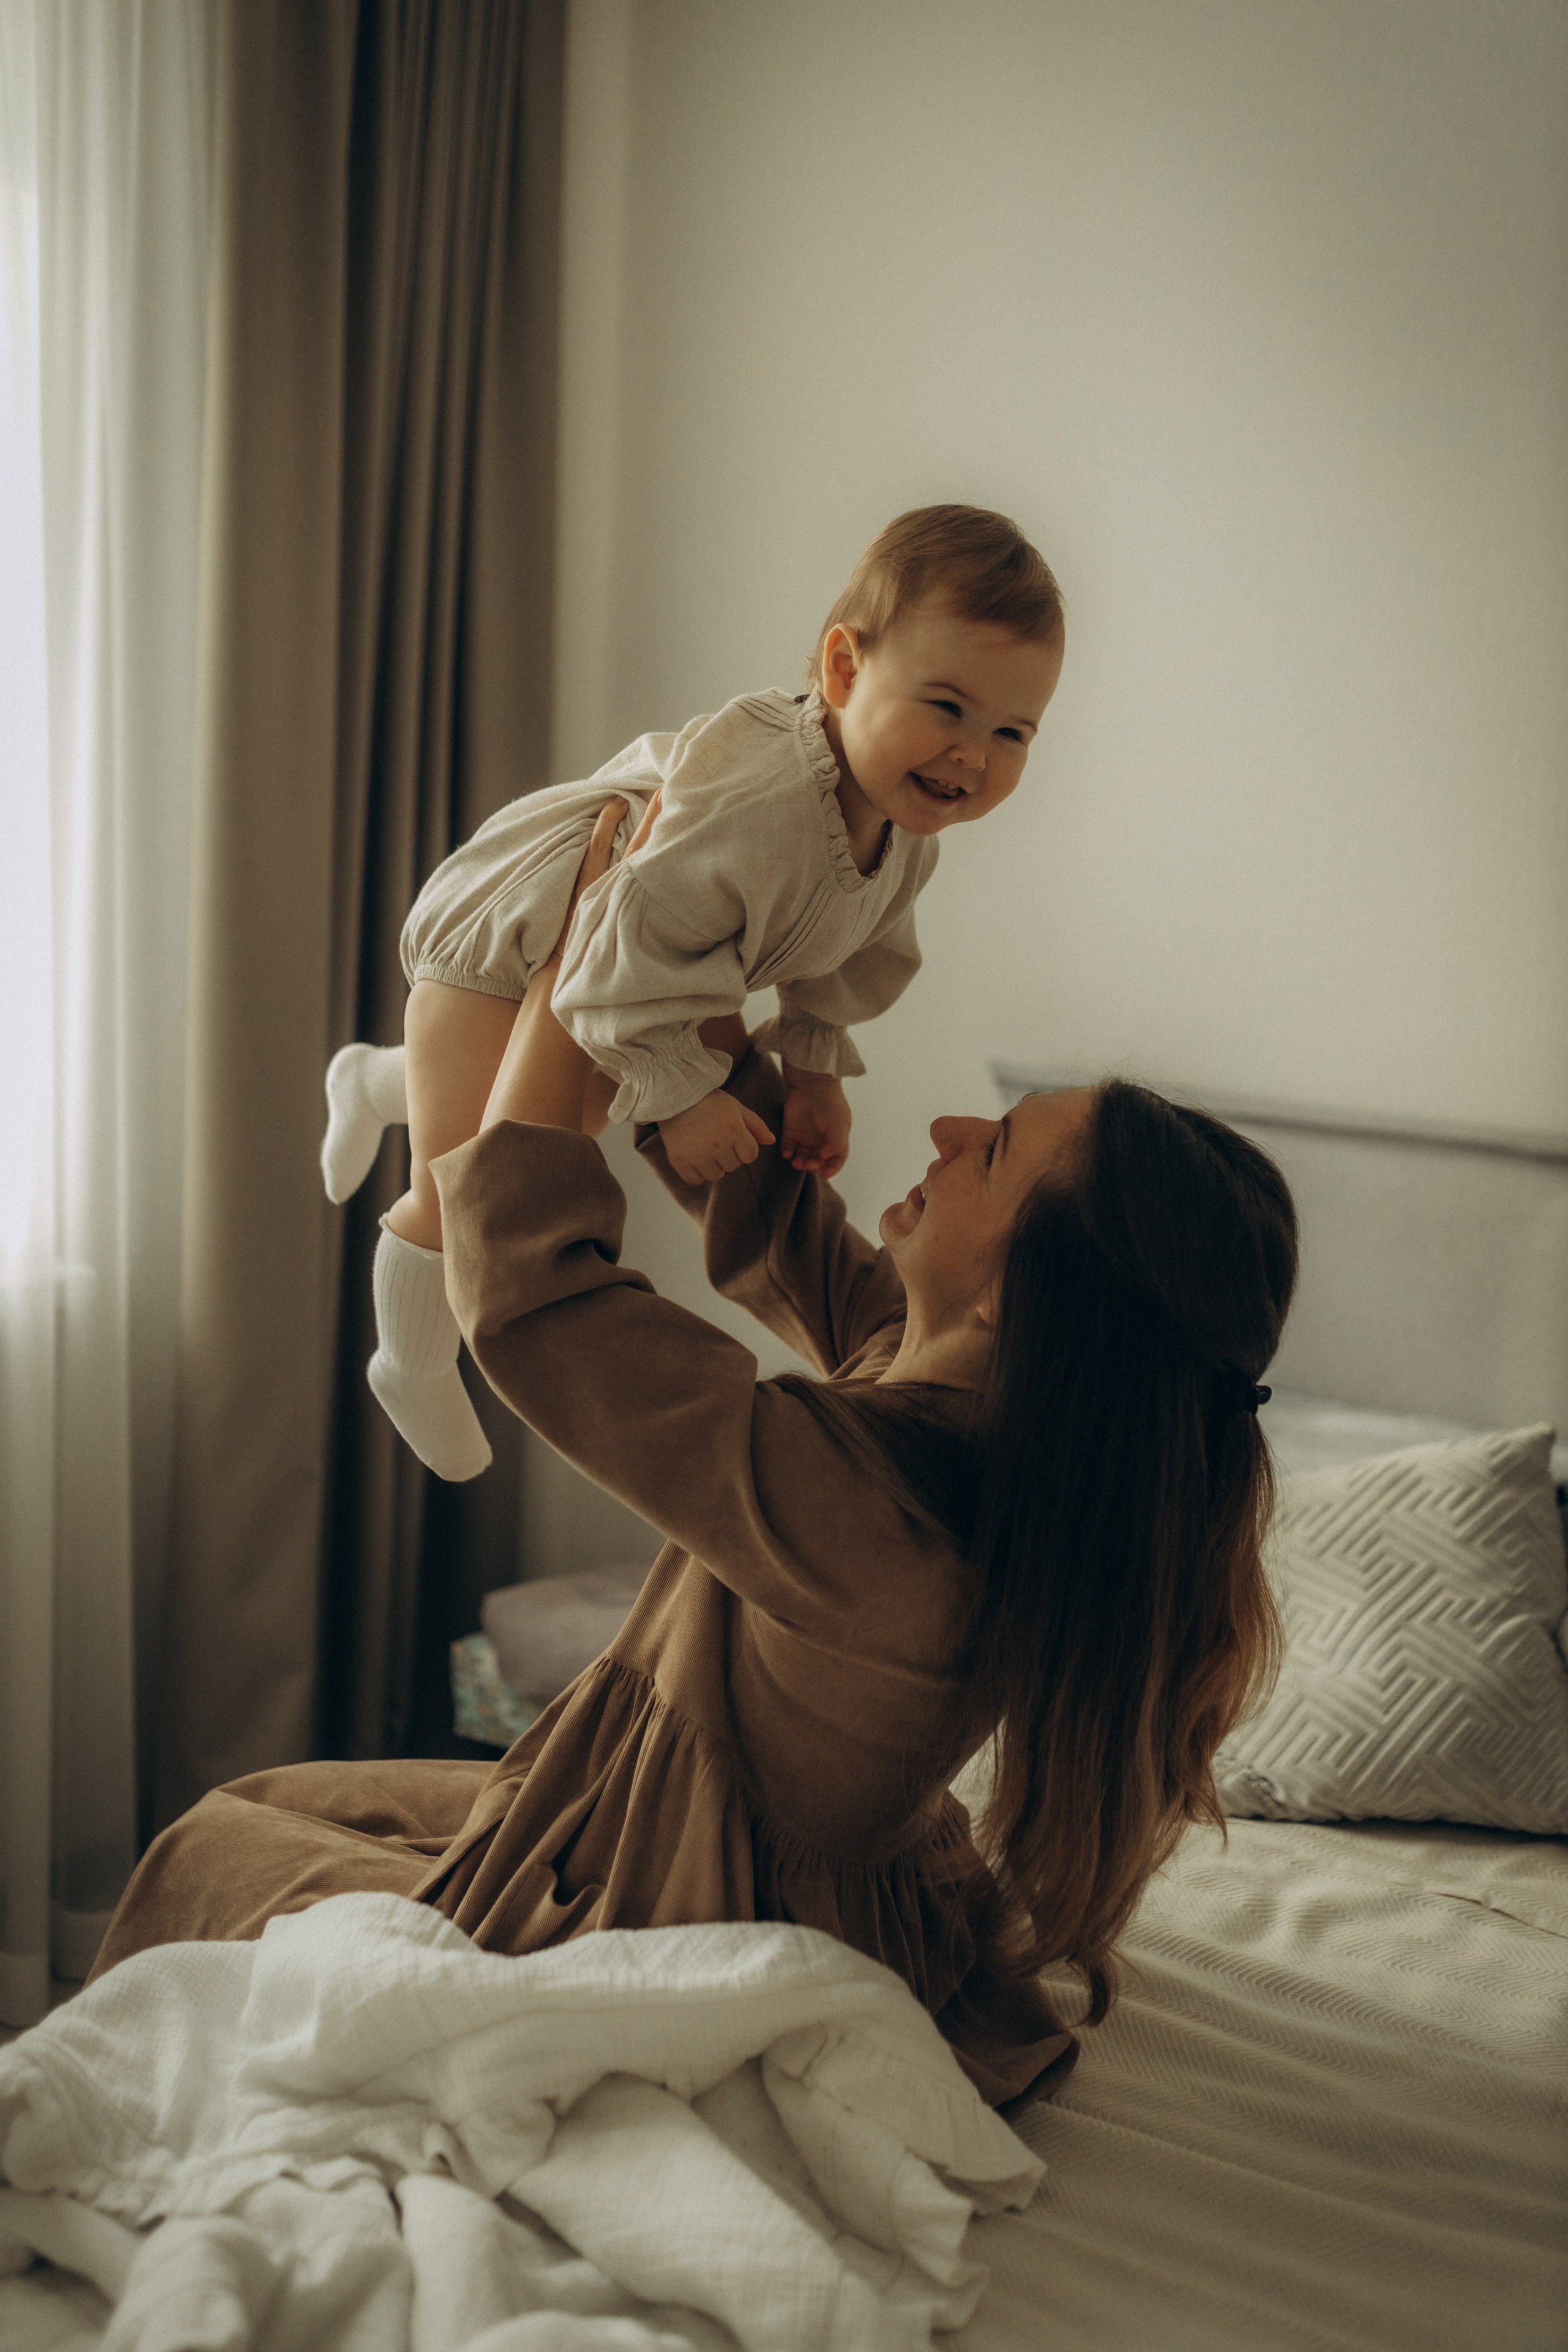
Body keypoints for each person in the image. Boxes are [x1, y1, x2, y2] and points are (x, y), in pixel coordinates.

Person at [89, 805, 1298, 2109]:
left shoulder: (875, 1523)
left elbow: (539, 1309)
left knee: (206, 1846)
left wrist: (573, 985)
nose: (948, 1131)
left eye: (991, 1155)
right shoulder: (953, 1390)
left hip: (675, 1902)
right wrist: (684, 949)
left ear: (1025, 1305)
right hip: (685, 1827)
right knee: (281, 1803)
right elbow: (765, 1215)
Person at [321, 504, 1068, 1480]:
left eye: (1013, 731)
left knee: (581, 1109)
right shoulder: (763, 801)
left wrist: (814, 1070)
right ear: (845, 672)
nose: (974, 755)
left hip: (612, 971)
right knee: (469, 1183)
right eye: (948, 708)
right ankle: (407, 1361)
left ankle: (375, 1083)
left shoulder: (901, 835)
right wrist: (681, 1097)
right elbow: (616, 948)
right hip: (512, 938)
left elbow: (852, 959)